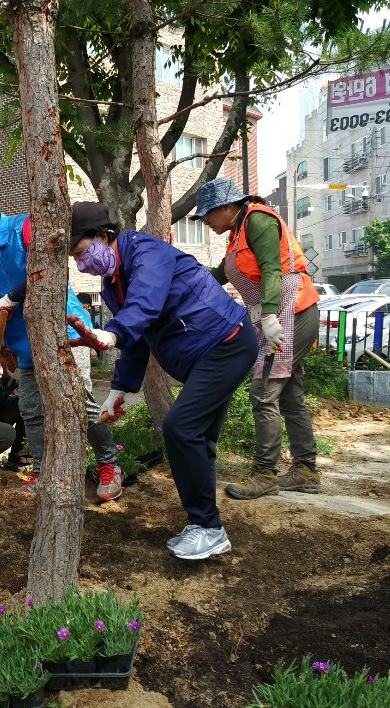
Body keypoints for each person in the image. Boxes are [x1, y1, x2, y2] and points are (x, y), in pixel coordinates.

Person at [67, 202, 257, 560]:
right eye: (75, 259)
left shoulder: (146, 252)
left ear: (105, 237)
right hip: (209, 351)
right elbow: (138, 338)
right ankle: (206, 524)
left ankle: (209, 528)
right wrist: (119, 391)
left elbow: (146, 306)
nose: (81, 264)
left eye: (81, 252)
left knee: (181, 429)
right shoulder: (113, 282)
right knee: (198, 438)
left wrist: (111, 334)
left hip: (226, 342)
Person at [0, 184, 123, 500]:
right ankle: (41, 471)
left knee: (79, 403)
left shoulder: (24, 228)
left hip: (64, 332)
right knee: (32, 409)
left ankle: (109, 465)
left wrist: (13, 296)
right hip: (25, 344)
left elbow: (47, 269)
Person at [194, 177, 322, 499]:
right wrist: (186, 279)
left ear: (226, 207)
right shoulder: (236, 235)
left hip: (290, 312)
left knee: (264, 391)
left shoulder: (258, 220)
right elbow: (220, 274)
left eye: (208, 214)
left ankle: (265, 473)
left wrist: (267, 316)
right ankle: (305, 470)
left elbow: (272, 270)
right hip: (279, 315)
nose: (206, 221)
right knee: (290, 395)